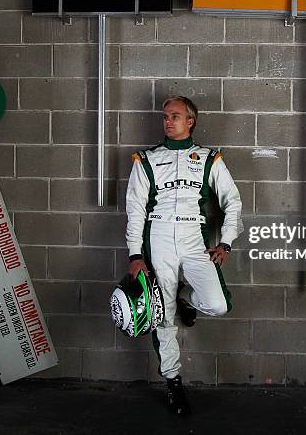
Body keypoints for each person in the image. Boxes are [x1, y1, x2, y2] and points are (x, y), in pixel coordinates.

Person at [125, 96, 243, 415]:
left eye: (175, 116)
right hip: (158, 236)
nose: (167, 121)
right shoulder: (147, 158)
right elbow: (135, 209)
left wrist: (227, 241)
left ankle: (187, 298)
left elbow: (232, 201)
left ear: (190, 121)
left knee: (218, 304)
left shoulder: (208, 157)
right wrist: (135, 254)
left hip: (195, 238)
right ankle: (173, 382)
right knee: (162, 315)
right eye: (165, 116)